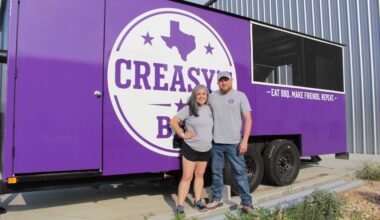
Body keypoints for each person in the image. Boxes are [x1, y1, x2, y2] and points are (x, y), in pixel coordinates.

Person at [206, 71, 254, 213]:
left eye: (226, 80)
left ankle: (246, 202)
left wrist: (245, 140)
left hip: (235, 143)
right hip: (216, 143)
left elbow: (248, 119)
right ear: (217, 83)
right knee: (216, 172)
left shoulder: (240, 96)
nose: (223, 83)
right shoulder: (212, 97)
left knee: (239, 173)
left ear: (231, 81)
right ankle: (217, 198)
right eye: (221, 80)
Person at [170, 84, 213, 215]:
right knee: (187, 177)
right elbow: (173, 121)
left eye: (204, 94)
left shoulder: (210, 109)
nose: (201, 96)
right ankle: (180, 206)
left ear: (207, 96)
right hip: (191, 148)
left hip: (206, 149)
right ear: (194, 96)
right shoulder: (189, 108)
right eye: (198, 94)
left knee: (199, 176)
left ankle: (198, 201)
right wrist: (183, 134)